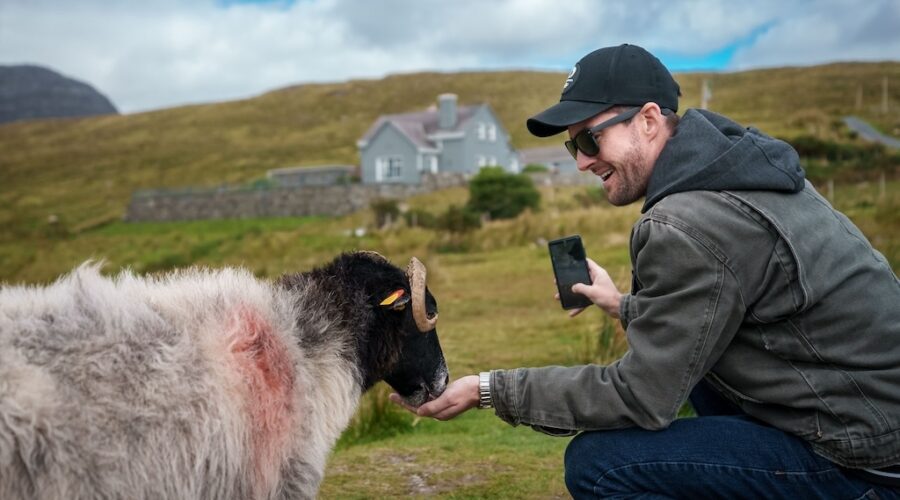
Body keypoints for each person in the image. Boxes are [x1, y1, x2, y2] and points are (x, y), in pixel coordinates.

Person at [390, 43, 900, 498]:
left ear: (649, 121)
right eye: (573, 147)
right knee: (697, 371)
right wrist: (622, 304)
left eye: (590, 141)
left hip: (862, 458)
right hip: (872, 418)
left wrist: (489, 389)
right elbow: (725, 303)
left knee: (598, 465)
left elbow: (640, 397)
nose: (582, 163)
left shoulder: (684, 222)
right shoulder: (745, 173)